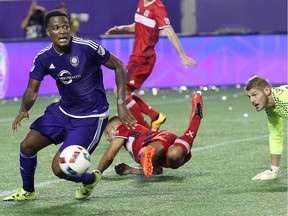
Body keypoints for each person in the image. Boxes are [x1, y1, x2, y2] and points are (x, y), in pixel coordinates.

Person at [3, 9, 136, 201]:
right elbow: (32, 90)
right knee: (27, 146)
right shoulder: (43, 57)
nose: (62, 31)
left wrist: (121, 104)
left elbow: (119, 66)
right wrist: (23, 109)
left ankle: (89, 179)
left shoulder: (87, 47)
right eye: (56, 28)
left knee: (60, 169)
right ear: (48, 32)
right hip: (63, 111)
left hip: (91, 118)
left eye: (65, 26)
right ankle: (28, 191)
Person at [105, 0, 197, 132]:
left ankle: (146, 132)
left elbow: (169, 31)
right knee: (125, 93)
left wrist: (182, 55)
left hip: (144, 58)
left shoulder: (157, 7)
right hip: (137, 57)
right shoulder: (142, 2)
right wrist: (121, 28)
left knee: (119, 92)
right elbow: (138, 25)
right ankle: (155, 116)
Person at [96, 91, 203, 178]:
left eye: (107, 133)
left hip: (157, 141)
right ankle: (197, 117)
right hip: (163, 145)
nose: (107, 138)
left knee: (147, 151)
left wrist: (96, 173)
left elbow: (110, 155)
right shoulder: (132, 142)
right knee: (174, 157)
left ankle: (146, 153)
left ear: (115, 126)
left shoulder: (123, 126)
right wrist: (131, 170)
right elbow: (157, 171)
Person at [245, 75, 288, 180]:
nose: (252, 100)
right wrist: (274, 170)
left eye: (254, 95)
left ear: (267, 90)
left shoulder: (284, 101)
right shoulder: (270, 107)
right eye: (249, 97)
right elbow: (276, 134)